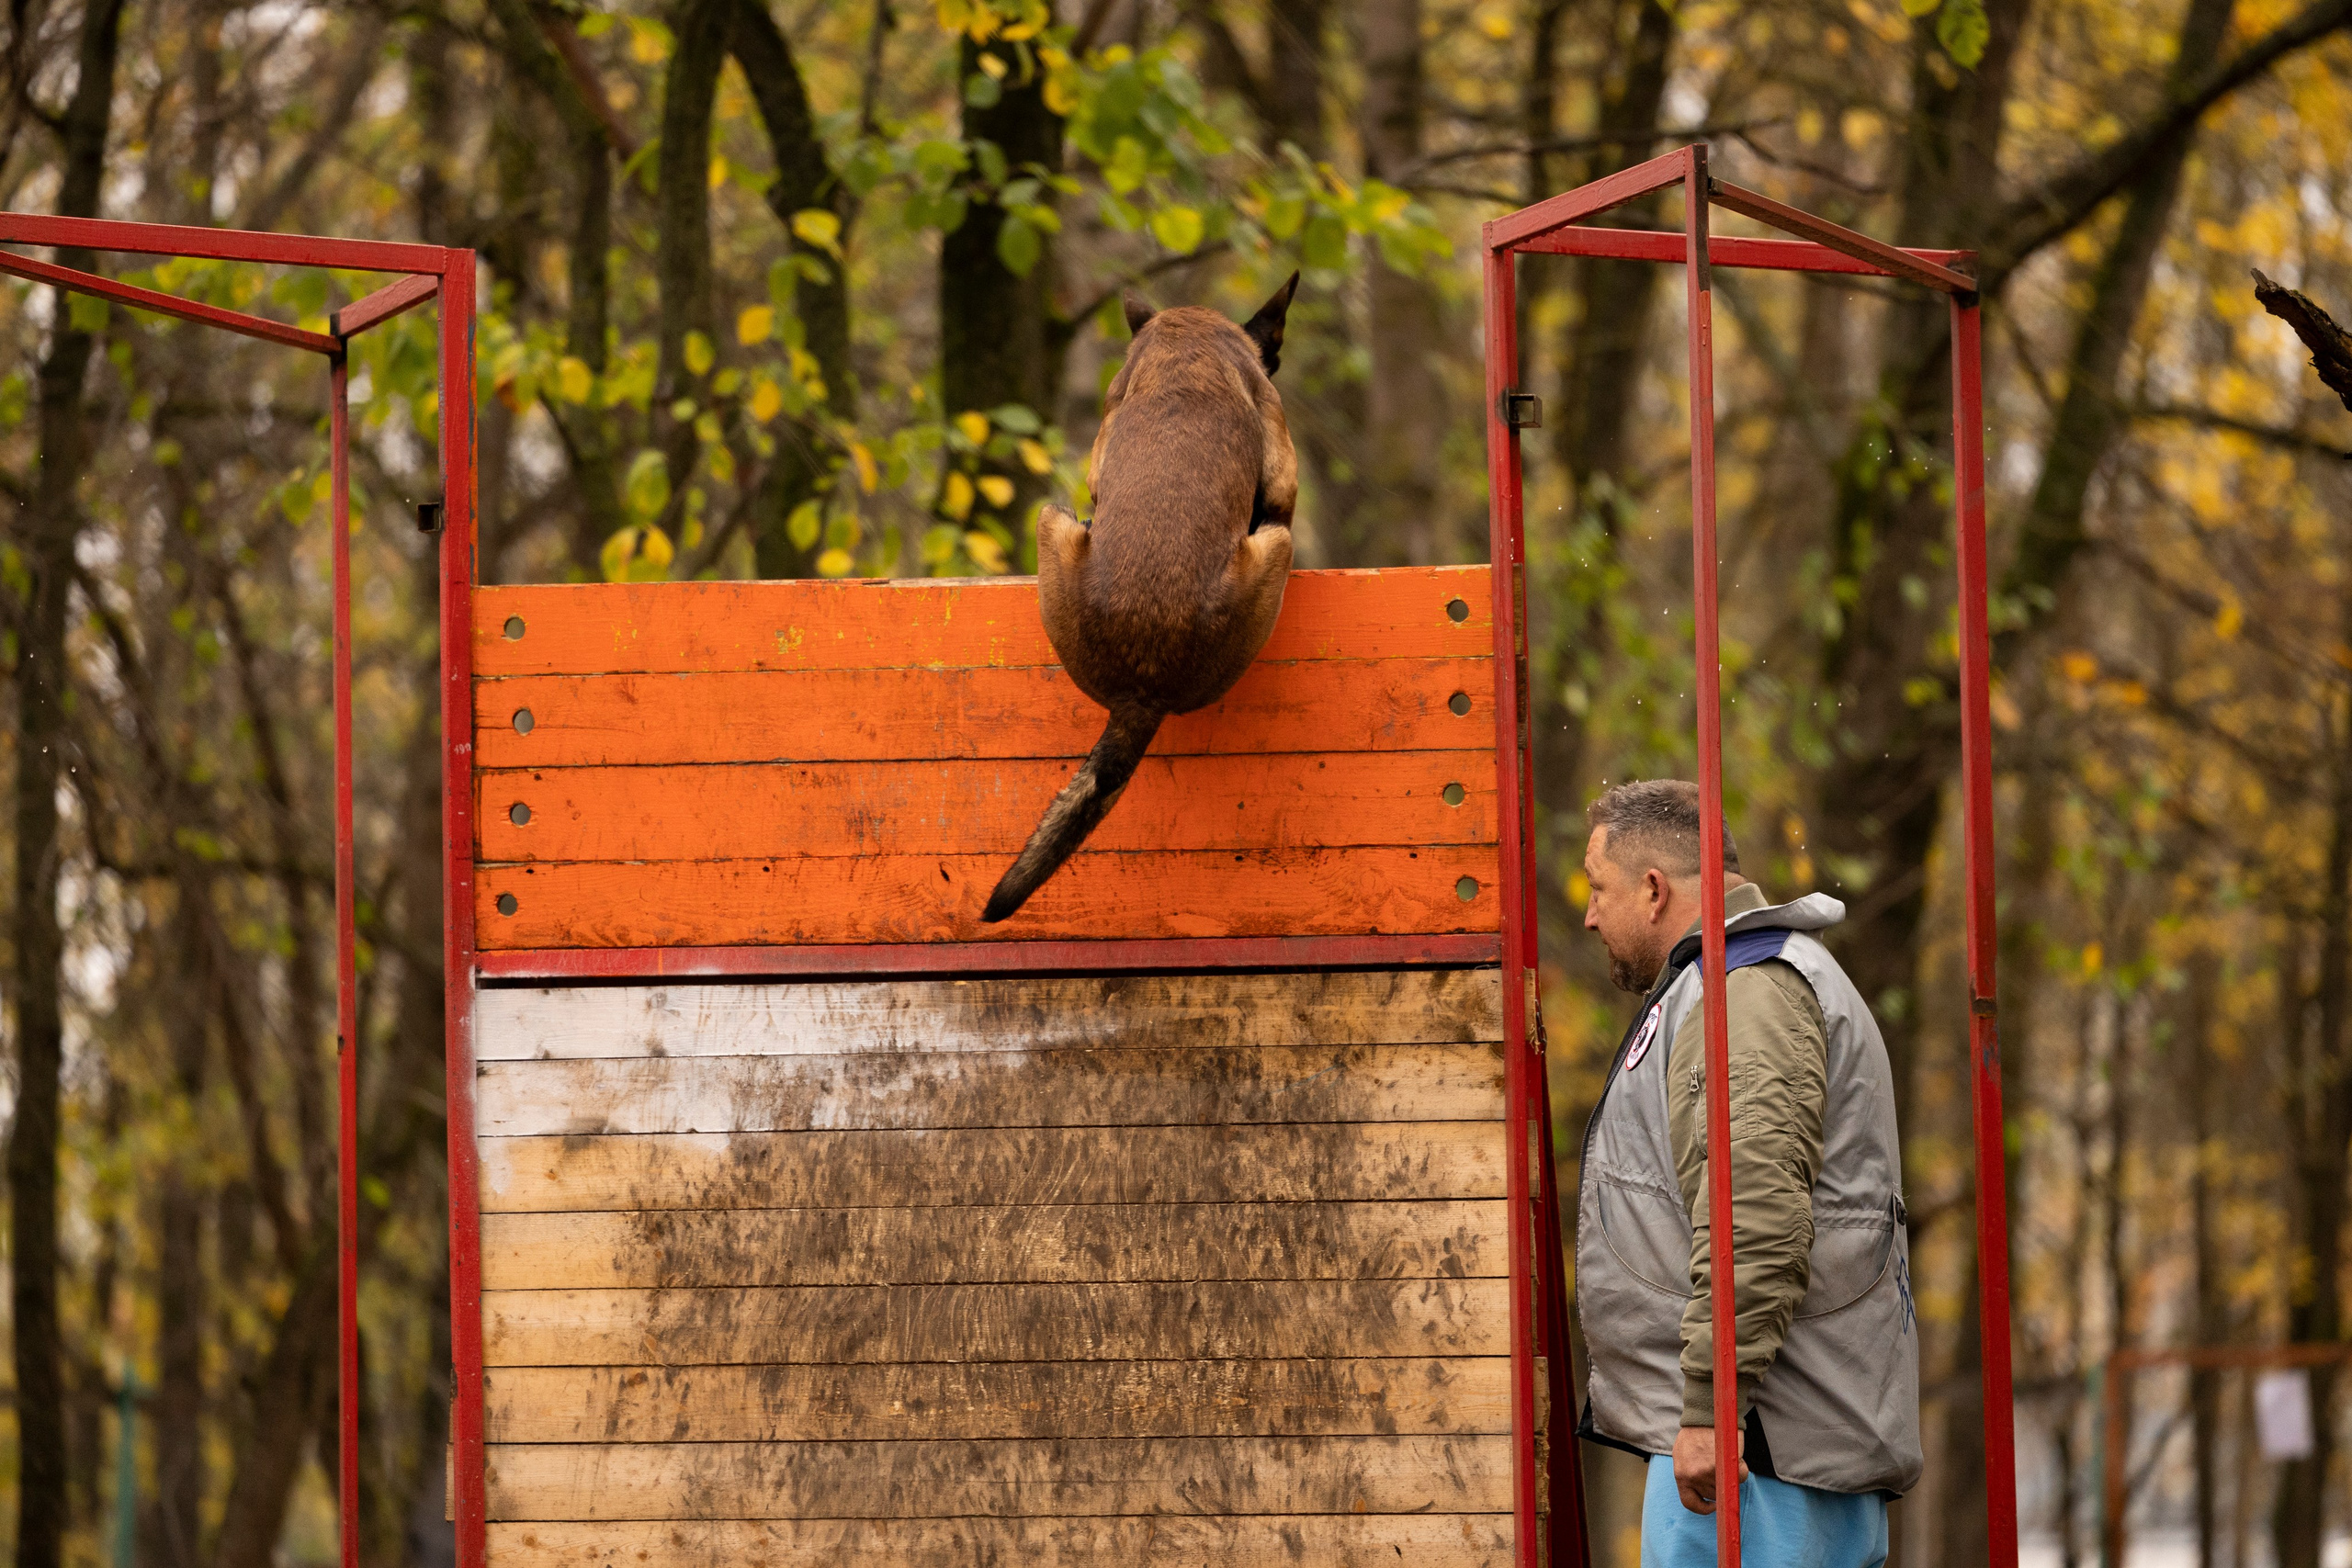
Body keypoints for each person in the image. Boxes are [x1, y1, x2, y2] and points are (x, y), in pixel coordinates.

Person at [1574, 779, 1920, 1568]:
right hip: (1774, 1450)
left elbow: (1753, 1210)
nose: (1590, 914)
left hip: (1756, 1459)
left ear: (1655, 889)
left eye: (1601, 889)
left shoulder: (1747, 992)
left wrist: (1710, 1406)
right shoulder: (1742, 980)